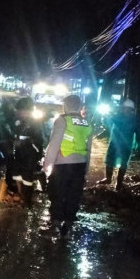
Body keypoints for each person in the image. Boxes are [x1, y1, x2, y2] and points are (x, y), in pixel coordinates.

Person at [42, 95, 93, 239]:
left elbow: (54, 144)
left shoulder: (62, 120)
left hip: (63, 164)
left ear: (65, 105)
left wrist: (47, 164)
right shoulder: (87, 123)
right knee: (73, 195)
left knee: (57, 193)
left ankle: (56, 227)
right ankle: (68, 228)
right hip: (80, 165)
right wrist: (86, 169)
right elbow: (89, 149)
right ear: (79, 107)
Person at [98, 99, 140, 190]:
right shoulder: (118, 116)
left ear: (131, 110)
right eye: (125, 108)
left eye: (128, 109)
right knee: (110, 160)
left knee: (123, 163)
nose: (126, 110)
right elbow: (107, 122)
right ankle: (108, 178)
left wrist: (138, 145)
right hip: (115, 143)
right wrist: (104, 118)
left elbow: (138, 133)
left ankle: (119, 183)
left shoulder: (134, 120)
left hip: (125, 145)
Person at [10, 96, 45, 206]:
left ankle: (27, 201)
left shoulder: (35, 123)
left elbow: (39, 140)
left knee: (27, 179)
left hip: (30, 154)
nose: (19, 112)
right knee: (17, 175)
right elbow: (14, 135)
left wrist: (24, 143)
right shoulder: (17, 121)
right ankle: (21, 196)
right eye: (18, 110)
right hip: (18, 153)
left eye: (21, 110)